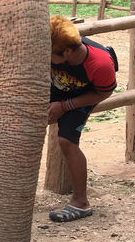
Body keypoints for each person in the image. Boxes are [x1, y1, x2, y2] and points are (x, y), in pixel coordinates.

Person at [48, 15, 117, 222]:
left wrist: (65, 106)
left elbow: (103, 93)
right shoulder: (58, 51)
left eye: (49, 53)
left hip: (82, 95)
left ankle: (81, 202)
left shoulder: (101, 64)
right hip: (57, 86)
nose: (45, 55)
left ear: (67, 52)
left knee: (67, 140)